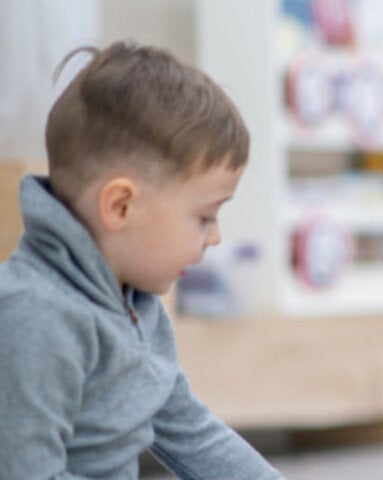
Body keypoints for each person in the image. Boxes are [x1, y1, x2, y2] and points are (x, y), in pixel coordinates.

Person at [0, 42, 280, 479]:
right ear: (121, 207)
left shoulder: (138, 308)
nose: (216, 237)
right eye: (204, 217)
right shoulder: (34, 314)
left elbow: (190, 430)